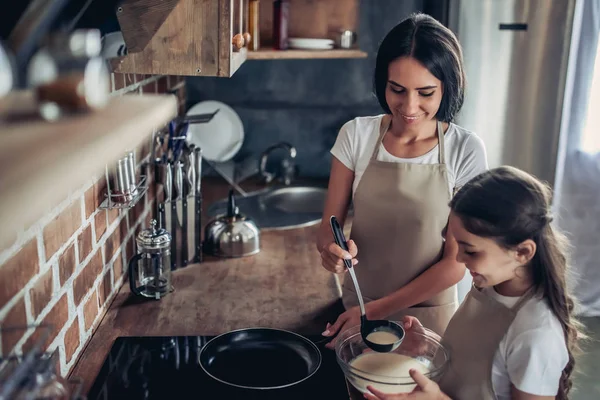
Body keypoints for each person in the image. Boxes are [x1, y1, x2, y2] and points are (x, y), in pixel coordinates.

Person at [317, 12, 488, 342]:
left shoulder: (464, 149)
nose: (409, 107)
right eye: (397, 89)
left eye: (426, 93)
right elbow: (329, 226)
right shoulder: (356, 135)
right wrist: (330, 251)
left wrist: (374, 311)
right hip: (358, 305)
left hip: (428, 316)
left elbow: (455, 263)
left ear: (448, 87)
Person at [364, 166, 583, 400]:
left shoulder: (536, 335)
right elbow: (483, 364)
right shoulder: (489, 285)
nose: (458, 259)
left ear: (522, 251)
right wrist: (430, 349)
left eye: (470, 251)